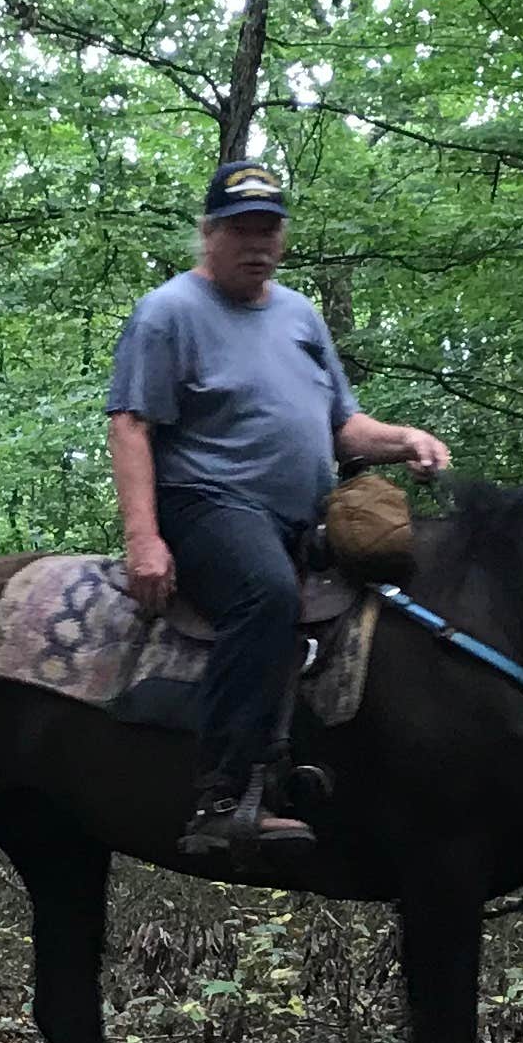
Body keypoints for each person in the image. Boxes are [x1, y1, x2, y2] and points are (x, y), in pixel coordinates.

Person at [107, 158, 449, 861]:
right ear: (209, 234)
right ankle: (224, 794)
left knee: (407, 582)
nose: (256, 243)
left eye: (269, 229)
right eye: (240, 230)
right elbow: (131, 425)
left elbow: (341, 425)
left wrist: (405, 439)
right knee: (264, 595)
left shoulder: (298, 314)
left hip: (306, 512)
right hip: (205, 501)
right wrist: (144, 538)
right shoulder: (169, 312)